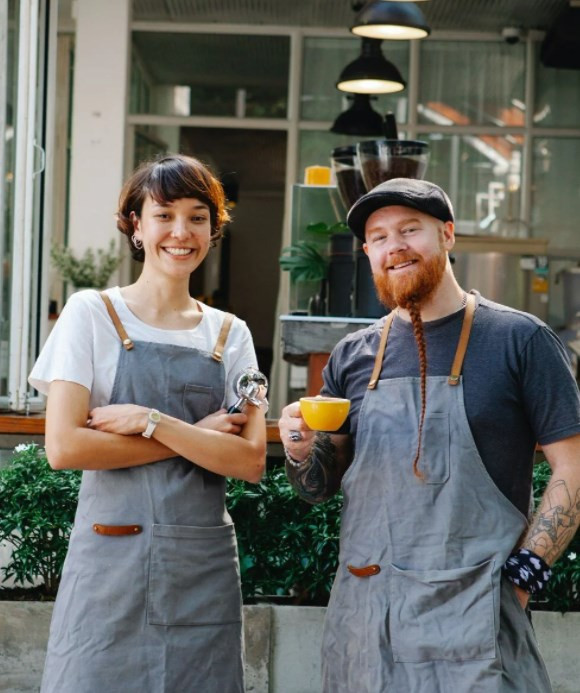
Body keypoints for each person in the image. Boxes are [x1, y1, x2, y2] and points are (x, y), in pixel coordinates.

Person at [278, 177, 580, 692]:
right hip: (365, 621)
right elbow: (317, 487)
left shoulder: (520, 340)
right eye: (378, 237)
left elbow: (573, 467)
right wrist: (300, 447)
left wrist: (524, 576)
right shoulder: (352, 357)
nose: (393, 246)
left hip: (474, 621)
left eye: (409, 229)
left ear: (447, 235)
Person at [29, 154, 267, 693]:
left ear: (213, 228)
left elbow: (249, 461)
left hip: (198, 569)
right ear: (136, 226)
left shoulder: (232, 334)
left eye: (198, 217)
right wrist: (198, 438)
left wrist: (149, 421)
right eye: (164, 215)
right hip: (109, 565)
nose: (181, 232)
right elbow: (65, 447)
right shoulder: (90, 314)